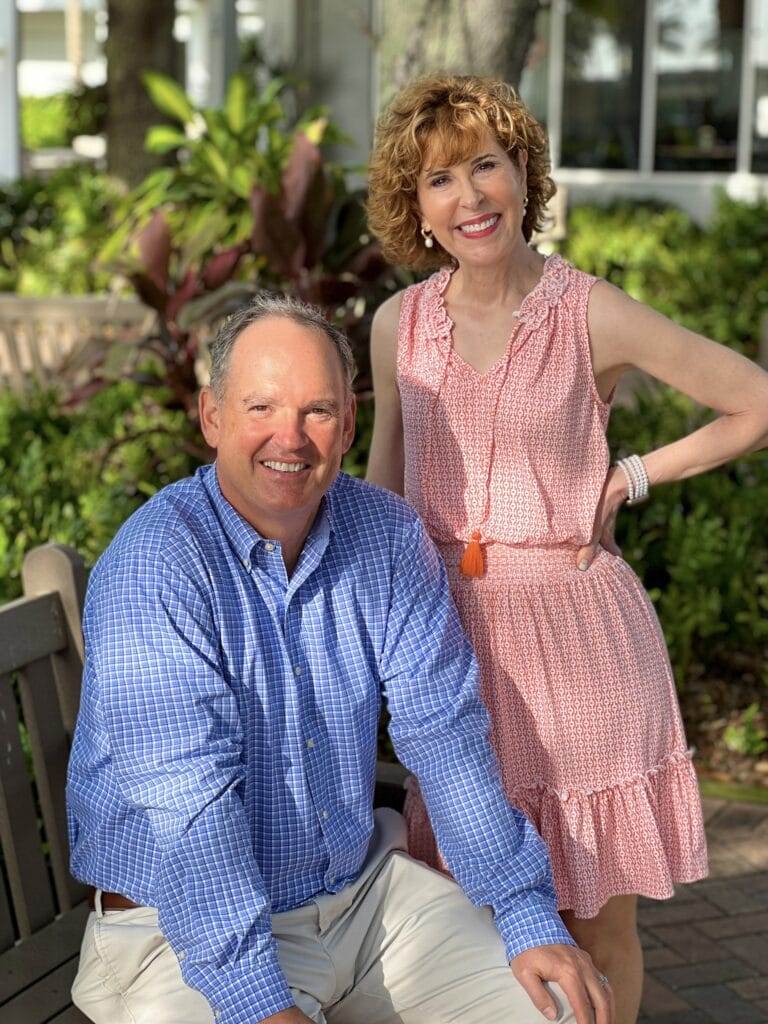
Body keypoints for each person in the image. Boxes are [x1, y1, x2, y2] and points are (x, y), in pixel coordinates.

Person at [66, 293, 615, 1024]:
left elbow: (445, 736)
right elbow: (190, 814)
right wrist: (259, 1003)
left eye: (317, 411)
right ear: (212, 417)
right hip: (178, 935)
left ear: (350, 425)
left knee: (563, 1008)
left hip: (362, 904)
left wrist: (526, 913)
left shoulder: (385, 536)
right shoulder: (157, 566)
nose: (289, 438)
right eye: (260, 408)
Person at [365, 74, 768, 1024]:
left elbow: (753, 398)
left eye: (486, 166)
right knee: (463, 912)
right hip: (448, 645)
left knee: (595, 922)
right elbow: (383, 490)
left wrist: (630, 476)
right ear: (415, 209)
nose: (469, 198)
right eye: (439, 180)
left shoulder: (592, 312)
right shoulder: (398, 327)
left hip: (580, 646)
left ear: (523, 176)